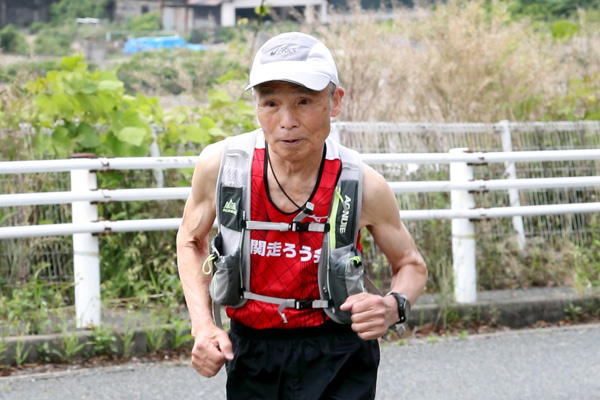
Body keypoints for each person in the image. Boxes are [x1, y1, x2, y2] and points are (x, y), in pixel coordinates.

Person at [176, 31, 428, 400]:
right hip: (251, 351)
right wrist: (203, 326)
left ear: (335, 100)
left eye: (304, 101)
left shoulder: (362, 184)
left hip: (339, 352)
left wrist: (392, 307)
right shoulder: (223, 167)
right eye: (271, 102)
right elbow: (190, 239)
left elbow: (411, 264)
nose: (287, 120)